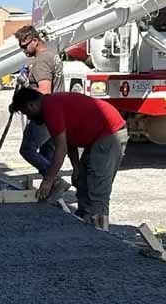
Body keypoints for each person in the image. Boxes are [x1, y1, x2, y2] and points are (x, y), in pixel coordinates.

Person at [9, 86, 128, 225]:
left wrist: (48, 180)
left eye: (26, 112)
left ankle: (100, 233)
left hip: (109, 133)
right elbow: (69, 141)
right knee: (82, 182)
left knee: (97, 188)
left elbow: (61, 149)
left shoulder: (51, 108)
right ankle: (85, 223)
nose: (29, 117)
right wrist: (76, 167)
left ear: (31, 105)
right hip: (98, 135)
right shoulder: (51, 106)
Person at [12, 25, 63, 174]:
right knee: (47, 154)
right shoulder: (52, 55)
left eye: (25, 46)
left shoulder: (41, 61)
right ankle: (51, 189)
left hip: (45, 115)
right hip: (57, 115)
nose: (24, 50)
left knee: (27, 149)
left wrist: (24, 92)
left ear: (35, 40)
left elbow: (44, 92)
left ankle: (54, 180)